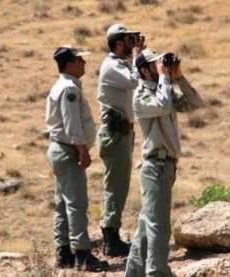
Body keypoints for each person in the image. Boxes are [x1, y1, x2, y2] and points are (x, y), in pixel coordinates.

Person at [125, 48, 204, 277]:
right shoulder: (141, 95)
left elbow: (195, 104)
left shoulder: (164, 89)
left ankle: (134, 272)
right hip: (155, 167)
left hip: (166, 167)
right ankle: (157, 272)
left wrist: (178, 77)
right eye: (154, 63)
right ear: (144, 70)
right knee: (159, 227)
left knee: (146, 225)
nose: (160, 66)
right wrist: (164, 78)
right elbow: (163, 105)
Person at [46, 45, 109, 272]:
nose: (84, 63)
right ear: (70, 64)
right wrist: (83, 150)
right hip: (68, 150)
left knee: (63, 204)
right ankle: (82, 254)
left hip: (59, 149)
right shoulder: (69, 89)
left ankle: (64, 254)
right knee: (76, 204)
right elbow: (72, 124)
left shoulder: (62, 85)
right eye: (80, 60)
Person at [96, 23, 145, 257]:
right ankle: (110, 239)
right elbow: (135, 81)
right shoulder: (112, 67)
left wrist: (137, 54)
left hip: (121, 134)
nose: (131, 43)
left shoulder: (120, 65)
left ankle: (112, 235)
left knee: (120, 186)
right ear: (117, 43)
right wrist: (137, 56)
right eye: (127, 40)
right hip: (114, 135)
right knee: (115, 187)